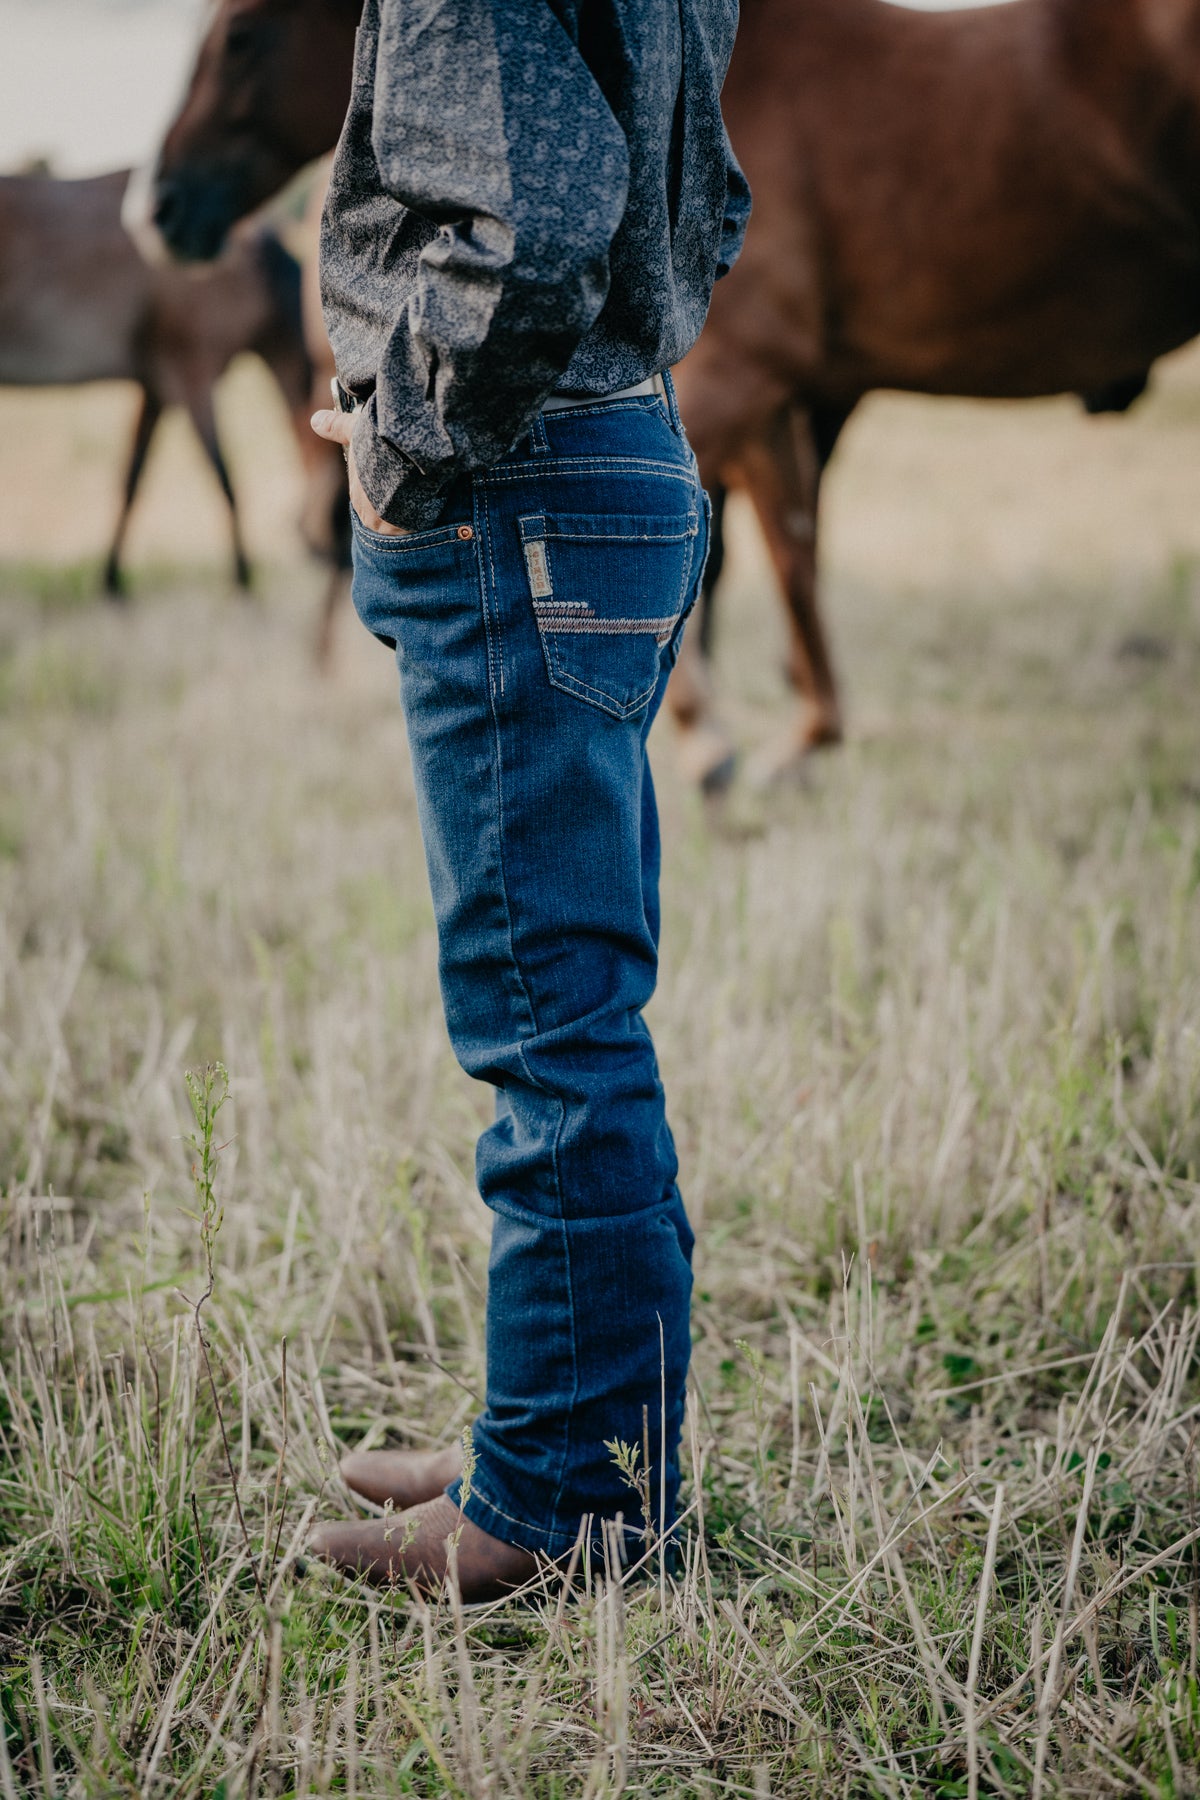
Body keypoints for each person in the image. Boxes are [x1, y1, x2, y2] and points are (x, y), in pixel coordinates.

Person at [308, 0, 749, 1603]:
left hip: (522, 485)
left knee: (550, 1025)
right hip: (616, 450)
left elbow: (536, 220)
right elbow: (706, 197)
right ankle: (565, 1441)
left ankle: (570, 1503)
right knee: (572, 1008)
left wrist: (400, 438)